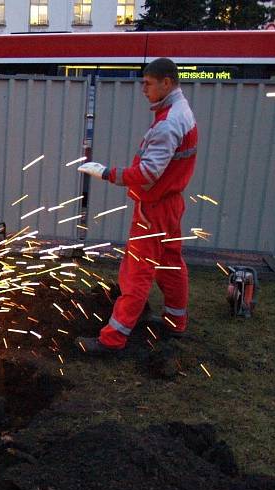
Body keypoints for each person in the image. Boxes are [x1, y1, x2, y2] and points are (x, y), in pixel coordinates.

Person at [76, 57, 198, 354]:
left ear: (166, 83)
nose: (144, 89)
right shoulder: (180, 112)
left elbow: (146, 174)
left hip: (154, 209)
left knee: (136, 272)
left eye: (148, 83)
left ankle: (112, 340)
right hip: (170, 205)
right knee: (170, 264)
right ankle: (174, 323)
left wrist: (106, 172)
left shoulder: (168, 124)